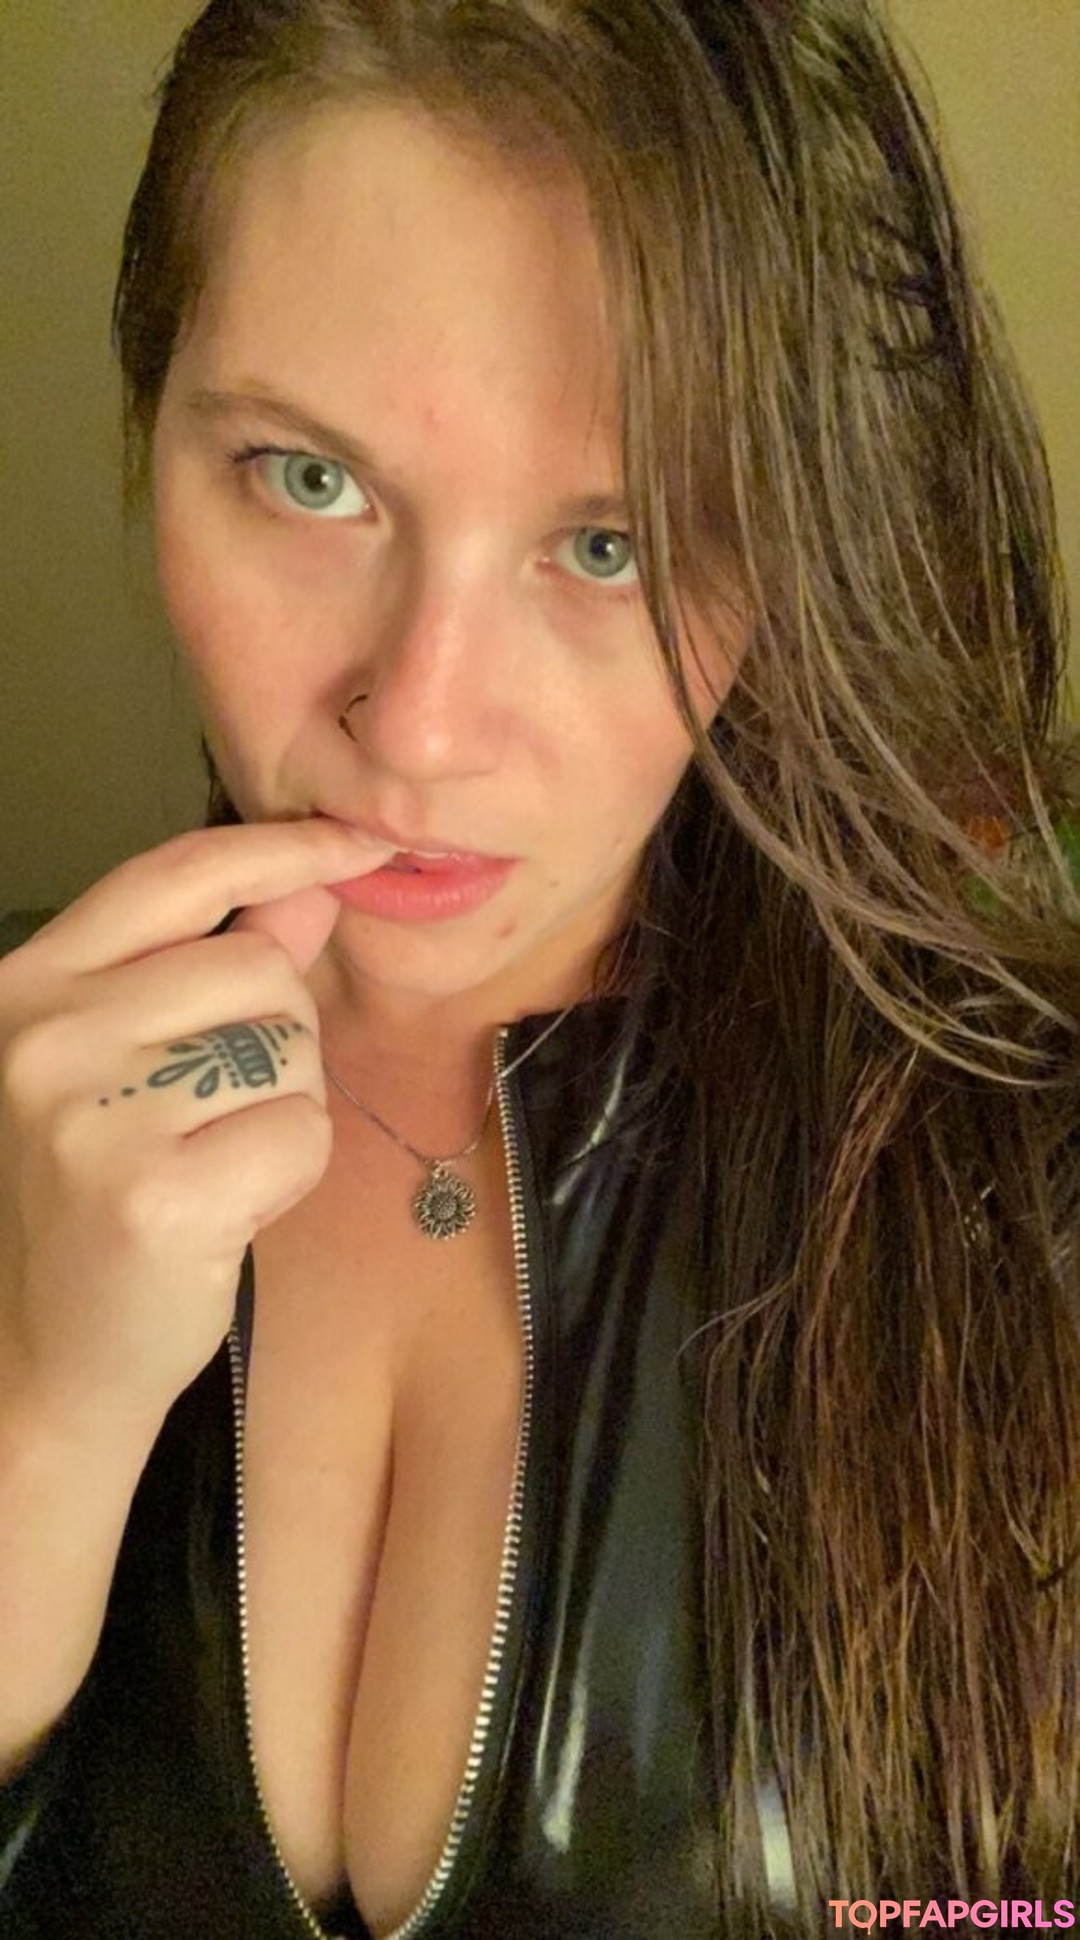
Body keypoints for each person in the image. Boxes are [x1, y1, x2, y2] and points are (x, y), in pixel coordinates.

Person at [1, 0, 1077, 1931]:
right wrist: (45, 1422)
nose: (418, 729)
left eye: (609, 544)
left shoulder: (1031, 1189)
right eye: (307, 479)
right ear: (152, 431)